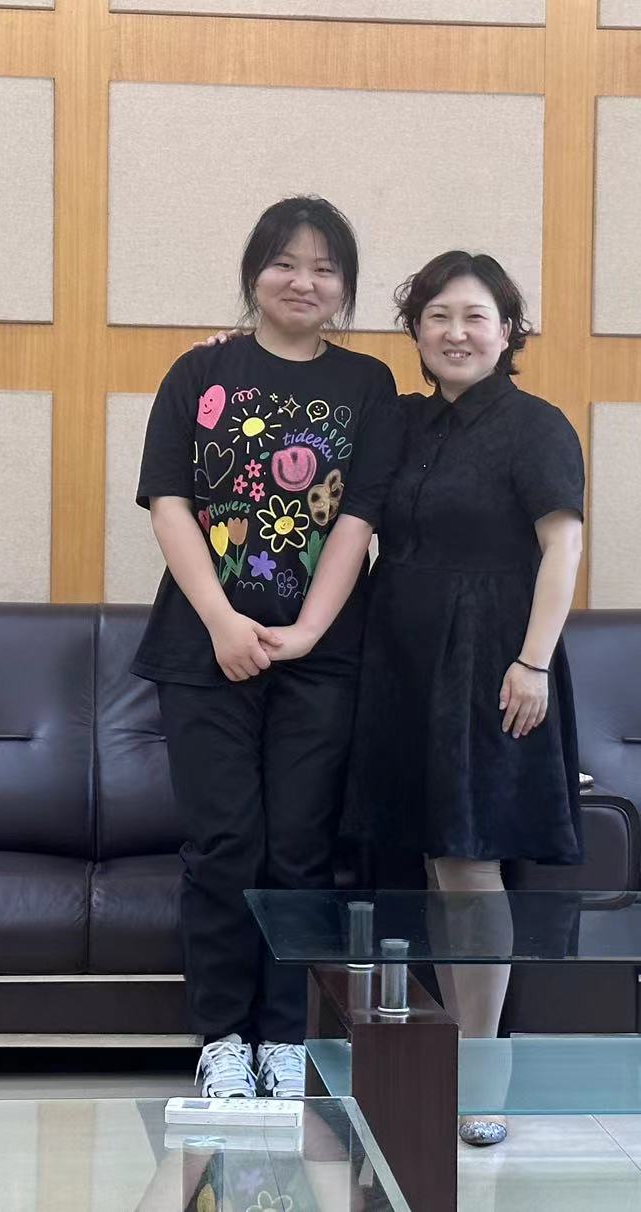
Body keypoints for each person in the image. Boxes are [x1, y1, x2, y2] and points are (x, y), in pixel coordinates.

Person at [134, 196, 401, 1100]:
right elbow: (170, 502)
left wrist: (310, 630)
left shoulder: (368, 386)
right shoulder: (199, 371)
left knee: (300, 849)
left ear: (345, 289)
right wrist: (221, 621)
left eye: (325, 268)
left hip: (323, 657)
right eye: (286, 262)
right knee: (225, 845)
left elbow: (359, 517)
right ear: (254, 272)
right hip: (200, 648)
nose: (304, 281)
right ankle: (222, 1038)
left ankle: (287, 1038)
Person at [347, 250, 586, 1147]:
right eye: (438, 316)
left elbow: (562, 547)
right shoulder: (402, 421)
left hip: (493, 659)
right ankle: (440, 1057)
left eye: (476, 316)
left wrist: (533, 662)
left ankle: (483, 1074)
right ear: (415, 330)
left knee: (471, 862)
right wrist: (230, 352)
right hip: (400, 654)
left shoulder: (535, 425)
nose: (456, 332)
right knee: (426, 863)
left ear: (508, 330)